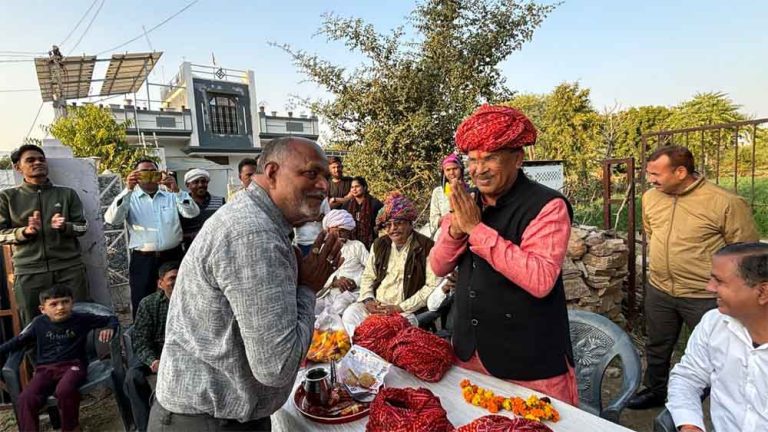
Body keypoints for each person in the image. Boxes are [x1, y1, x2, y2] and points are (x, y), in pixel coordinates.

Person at [149, 137, 344, 431]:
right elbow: (275, 367)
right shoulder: (254, 234)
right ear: (273, 172)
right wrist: (307, 289)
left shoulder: (259, 222)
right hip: (209, 421)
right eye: (312, 173)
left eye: (327, 177)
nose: (324, 186)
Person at [429, 105, 578, 405]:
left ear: (518, 159)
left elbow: (540, 279)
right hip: (471, 358)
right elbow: (437, 265)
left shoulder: (548, 206)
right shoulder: (467, 200)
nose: (478, 169)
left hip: (529, 365)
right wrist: (456, 232)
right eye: (472, 159)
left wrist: (476, 229)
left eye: (490, 158)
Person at [628, 145, 759, 409]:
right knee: (657, 344)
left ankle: (710, 401)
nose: (650, 179)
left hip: (704, 295)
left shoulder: (724, 203)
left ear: (680, 172)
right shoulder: (651, 198)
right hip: (660, 288)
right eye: (648, 173)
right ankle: (654, 390)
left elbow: (746, 251)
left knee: (717, 351)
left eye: (656, 174)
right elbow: (652, 233)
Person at [666, 242, 768, 432]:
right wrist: (690, 425)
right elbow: (687, 377)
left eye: (719, 281)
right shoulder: (714, 323)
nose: (709, 288)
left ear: (762, 292)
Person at [0, 284, 117, 432]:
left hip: (74, 365)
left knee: (64, 390)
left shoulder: (81, 319)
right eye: (54, 304)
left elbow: (111, 318)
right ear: (43, 309)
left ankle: (71, 427)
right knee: (26, 398)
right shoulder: (38, 323)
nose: (60, 307)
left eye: (65, 302)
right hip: (45, 370)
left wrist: (110, 327)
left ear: (72, 303)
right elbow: (18, 342)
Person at [0, 144, 89, 326]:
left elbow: (83, 227)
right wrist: (24, 232)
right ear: (18, 167)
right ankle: (36, 356)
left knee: (80, 317)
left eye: (41, 159)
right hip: (29, 271)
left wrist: (65, 227)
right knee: (33, 324)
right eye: (30, 160)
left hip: (69, 268)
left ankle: (83, 355)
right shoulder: (7, 197)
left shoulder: (66, 194)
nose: (38, 162)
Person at [104, 159, 199, 318]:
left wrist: (176, 190)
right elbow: (112, 219)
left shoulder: (171, 195)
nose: (149, 175)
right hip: (143, 259)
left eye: (153, 171)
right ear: (136, 176)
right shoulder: (130, 198)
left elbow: (192, 213)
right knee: (142, 300)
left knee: (180, 298)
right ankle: (142, 336)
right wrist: (128, 189)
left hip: (172, 256)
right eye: (144, 172)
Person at [341, 192, 441, 336]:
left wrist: (399, 308)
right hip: (377, 305)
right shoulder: (380, 244)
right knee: (350, 314)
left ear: (409, 223)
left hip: (405, 310)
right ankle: (360, 351)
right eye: (388, 225)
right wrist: (368, 300)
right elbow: (368, 276)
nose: (393, 228)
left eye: (398, 223)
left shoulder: (426, 246)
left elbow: (431, 286)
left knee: (393, 330)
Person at [124, 261, 179, 432]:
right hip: (155, 352)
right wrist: (153, 361)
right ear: (160, 283)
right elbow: (140, 339)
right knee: (132, 377)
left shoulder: (194, 301)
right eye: (172, 278)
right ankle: (144, 426)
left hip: (181, 354)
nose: (177, 282)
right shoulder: (149, 304)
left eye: (181, 277)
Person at [316, 210, 369, 315]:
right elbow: (317, 277)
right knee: (312, 307)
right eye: (336, 230)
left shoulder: (357, 246)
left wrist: (355, 282)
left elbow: (371, 270)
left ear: (348, 231)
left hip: (351, 293)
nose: (339, 234)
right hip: (328, 293)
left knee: (336, 309)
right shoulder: (322, 249)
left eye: (343, 230)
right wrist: (333, 282)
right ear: (328, 230)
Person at [180, 168, 225, 249]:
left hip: (215, 248)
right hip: (190, 251)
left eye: (203, 181)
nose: (200, 185)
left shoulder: (220, 202)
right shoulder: (182, 204)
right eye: (196, 182)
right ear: (187, 185)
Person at [427, 153, 464, 240]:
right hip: (443, 237)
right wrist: (448, 218)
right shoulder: (438, 192)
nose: (452, 172)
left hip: (465, 236)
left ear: (461, 169)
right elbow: (433, 221)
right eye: (448, 170)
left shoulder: (470, 191)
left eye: (455, 168)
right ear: (444, 172)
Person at [342, 176, 383, 249]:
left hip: (371, 243)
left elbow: (382, 222)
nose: (354, 189)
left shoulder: (375, 204)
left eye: (357, 186)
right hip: (352, 244)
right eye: (352, 187)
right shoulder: (347, 205)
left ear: (364, 187)